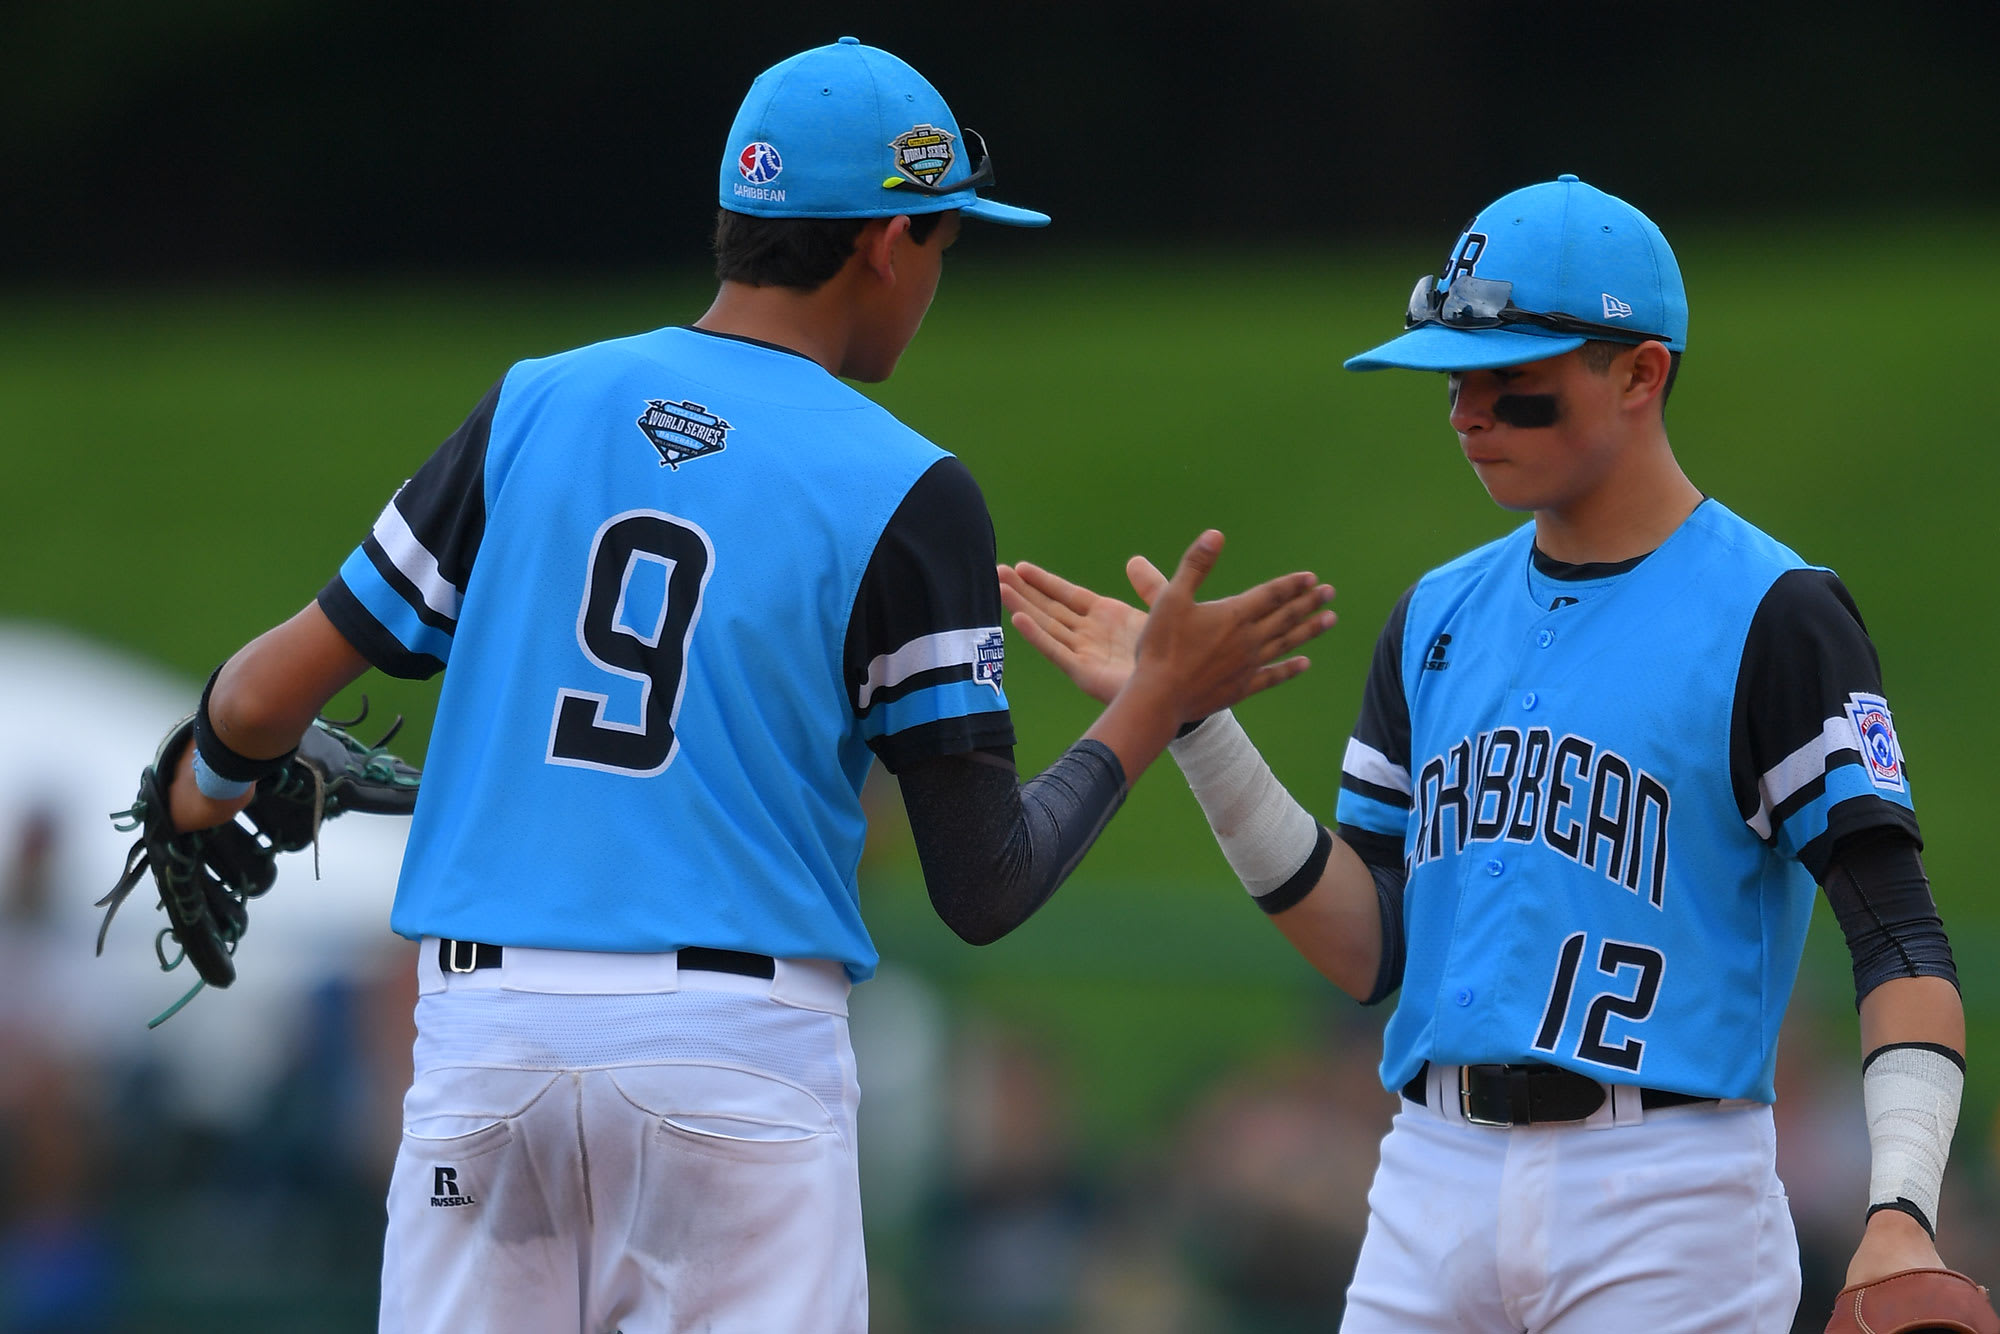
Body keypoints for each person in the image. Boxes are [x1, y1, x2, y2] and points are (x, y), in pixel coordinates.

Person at [154, 37, 1334, 1334]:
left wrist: (202, 783)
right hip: (730, 1061)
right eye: (945, 244)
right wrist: (1150, 702)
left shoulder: (538, 403)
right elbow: (985, 884)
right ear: (887, 243)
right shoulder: (904, 484)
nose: (938, 279)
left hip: (489, 1045)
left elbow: (271, 689)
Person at [999, 175, 1974, 1330]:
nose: (1468, 413)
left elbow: (1897, 934)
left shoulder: (1772, 612)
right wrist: (1188, 718)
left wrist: (1900, 1199)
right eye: (1454, 379)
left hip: (1664, 1185)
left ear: (1639, 371)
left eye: (1516, 386)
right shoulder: (1434, 615)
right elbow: (1367, 947)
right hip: (1430, 1172)